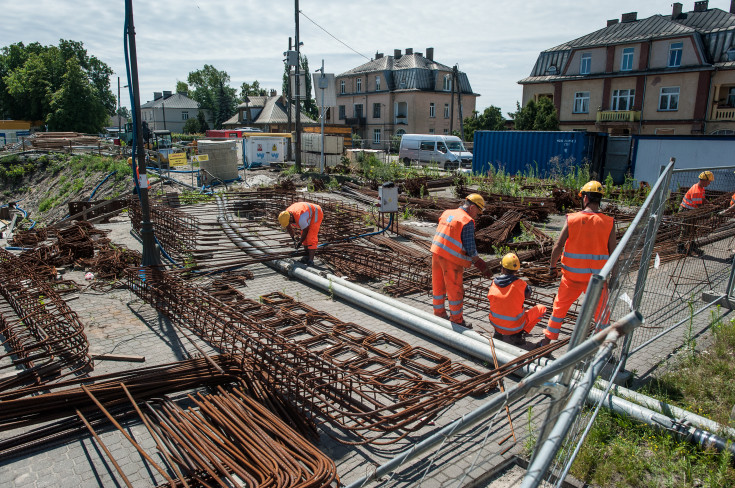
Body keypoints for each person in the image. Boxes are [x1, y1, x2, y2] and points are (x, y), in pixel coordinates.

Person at [540, 180, 616, 347]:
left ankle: (547, 340)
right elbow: (613, 253)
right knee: (602, 314)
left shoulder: (572, 219)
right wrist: (614, 277)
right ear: (599, 199)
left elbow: (558, 246)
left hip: (571, 278)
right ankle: (605, 347)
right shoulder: (609, 222)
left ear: (586, 198)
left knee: (559, 309)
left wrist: (552, 267)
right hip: (597, 280)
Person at [430, 193, 492, 329]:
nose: (478, 215)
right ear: (472, 207)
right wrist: (479, 262)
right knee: (455, 290)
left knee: (438, 285)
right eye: (478, 211)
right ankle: (457, 320)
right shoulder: (466, 220)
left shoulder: (447, 212)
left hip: (436, 253)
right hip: (451, 259)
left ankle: (439, 313)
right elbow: (470, 246)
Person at [488, 253, 547, 345]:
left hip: (495, 323)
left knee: (500, 306)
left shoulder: (493, 283)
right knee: (542, 309)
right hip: (514, 327)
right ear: (516, 270)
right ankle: (520, 334)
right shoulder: (521, 284)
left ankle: (498, 333)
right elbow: (528, 295)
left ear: (502, 269)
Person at [278, 201, 323, 266]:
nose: (290, 223)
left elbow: (305, 230)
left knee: (311, 237)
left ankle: (311, 260)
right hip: (307, 212)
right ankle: (307, 256)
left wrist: (300, 242)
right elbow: (289, 227)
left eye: (290, 222)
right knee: (304, 237)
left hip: (316, 212)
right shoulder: (286, 215)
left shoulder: (301, 217)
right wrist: (293, 238)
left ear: (290, 218)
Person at [679, 171, 713, 253]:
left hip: (692, 210)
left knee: (693, 229)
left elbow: (703, 199)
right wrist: (709, 210)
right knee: (686, 229)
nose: (709, 183)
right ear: (704, 180)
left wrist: (710, 204)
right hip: (687, 211)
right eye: (709, 181)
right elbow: (699, 206)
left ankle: (692, 245)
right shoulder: (696, 191)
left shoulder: (701, 188)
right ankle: (680, 247)